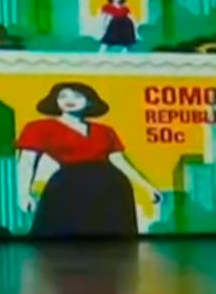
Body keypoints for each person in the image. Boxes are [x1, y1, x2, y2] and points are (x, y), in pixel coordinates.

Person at [16, 82, 161, 237]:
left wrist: (146, 187)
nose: (69, 100)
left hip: (111, 189)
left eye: (77, 96)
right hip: (69, 188)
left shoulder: (105, 131)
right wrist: (24, 194)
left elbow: (120, 162)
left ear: (90, 102)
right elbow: (27, 162)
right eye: (63, 96)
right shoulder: (39, 127)